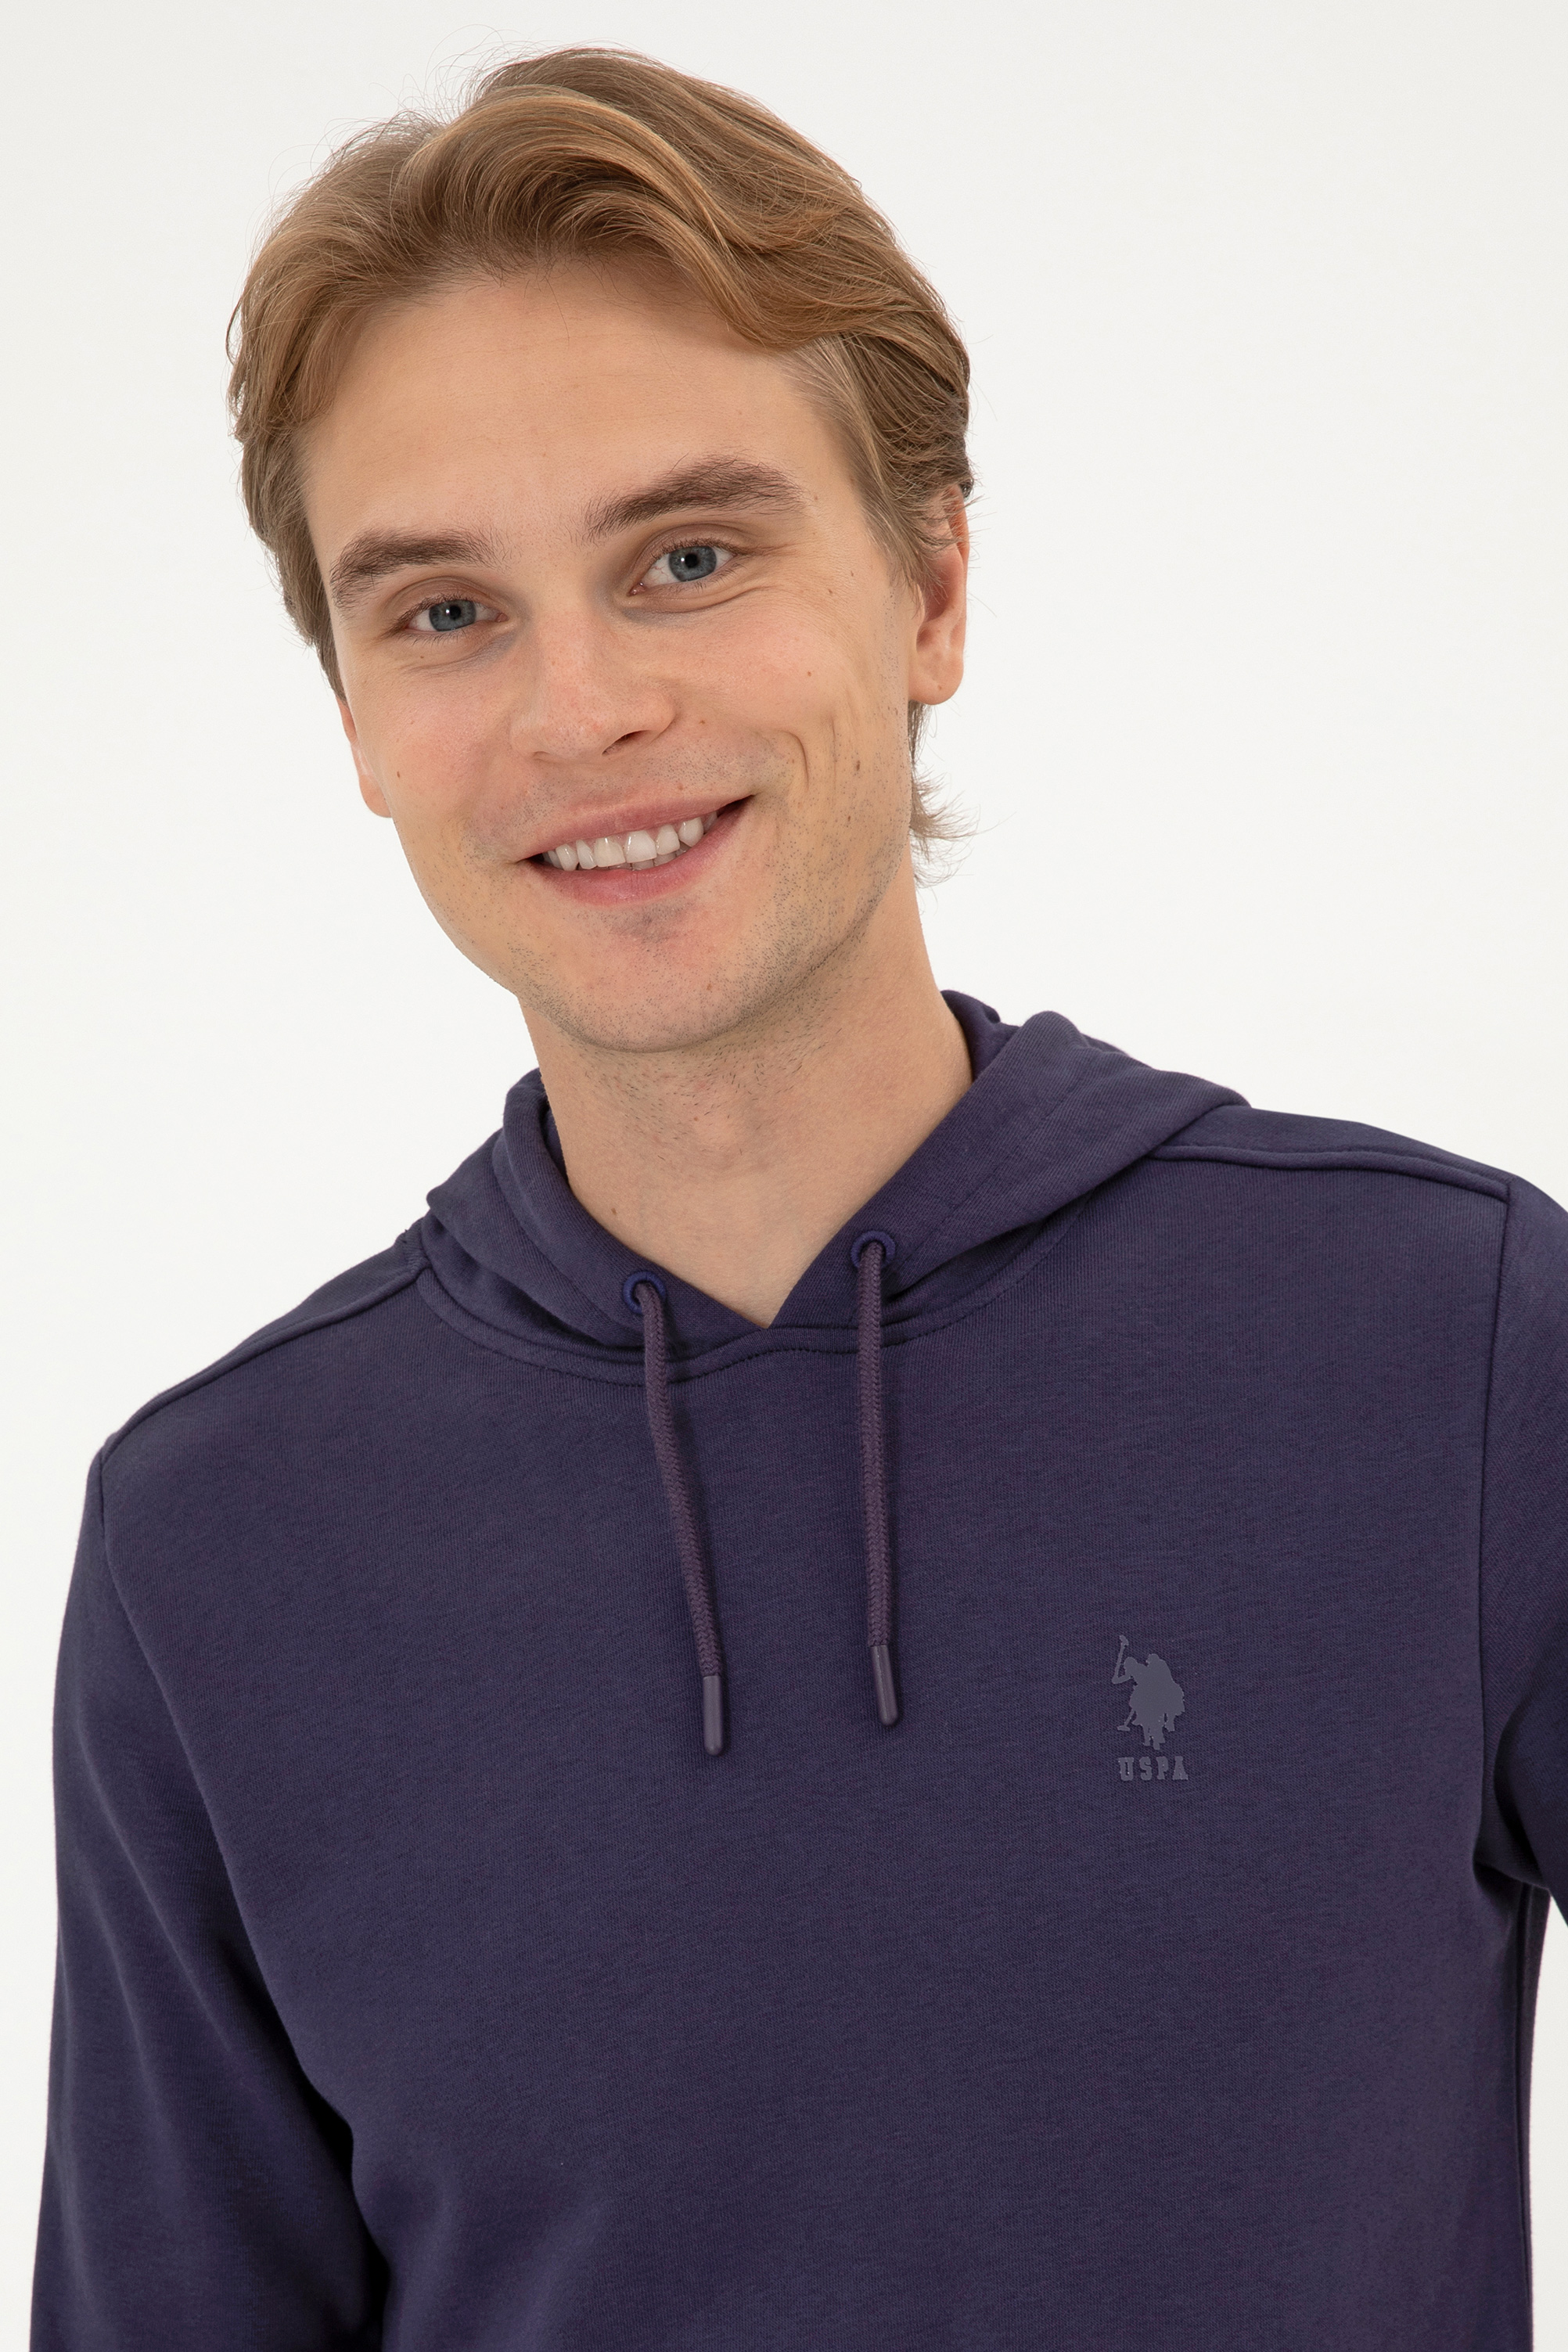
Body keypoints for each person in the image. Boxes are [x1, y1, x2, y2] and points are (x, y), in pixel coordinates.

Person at [29, 45, 1568, 2352]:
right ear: (351, 712)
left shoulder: (1447, 1345)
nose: (580, 712)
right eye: (443, 611)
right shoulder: (215, 1546)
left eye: (687, 558)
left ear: (930, 585)